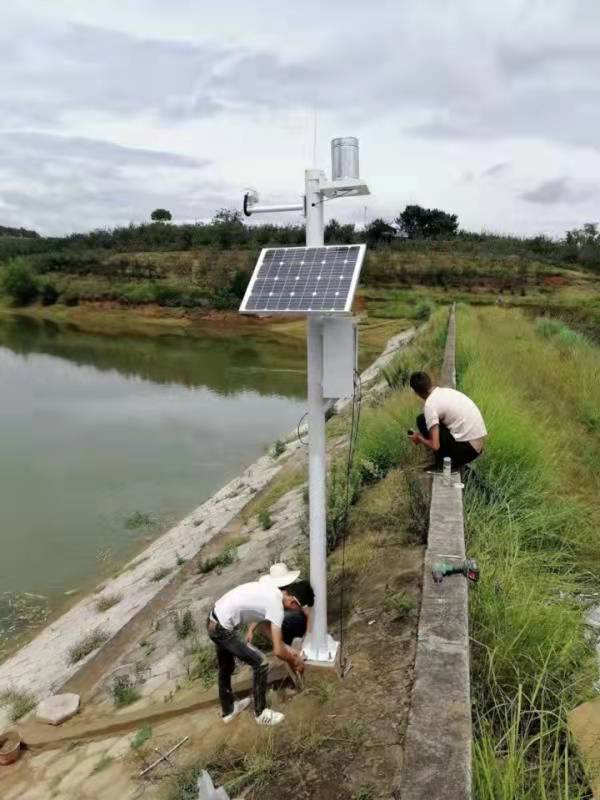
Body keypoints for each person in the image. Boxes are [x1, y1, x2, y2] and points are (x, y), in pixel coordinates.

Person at [206, 563, 314, 726]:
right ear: (293, 602)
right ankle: (261, 713)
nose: (293, 611)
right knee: (260, 662)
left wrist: (289, 650)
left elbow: (267, 631)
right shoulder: (276, 605)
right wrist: (295, 660)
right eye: (296, 609)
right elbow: (278, 651)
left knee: (226, 667)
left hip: (214, 619)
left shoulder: (271, 591)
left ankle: (229, 711)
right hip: (222, 628)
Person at [409, 371, 487, 469]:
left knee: (421, 421)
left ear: (417, 392)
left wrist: (419, 438)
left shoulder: (430, 405)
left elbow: (435, 445)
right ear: (430, 382)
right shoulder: (445, 391)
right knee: (424, 419)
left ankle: (443, 464)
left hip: (468, 451)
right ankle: (445, 460)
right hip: (476, 447)